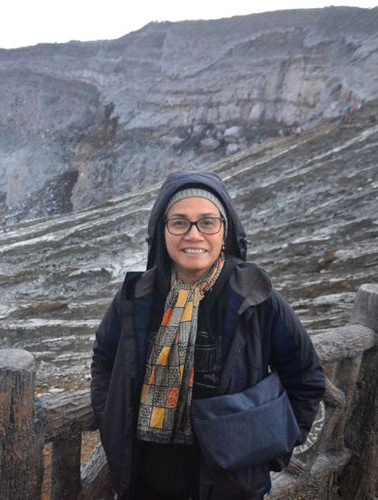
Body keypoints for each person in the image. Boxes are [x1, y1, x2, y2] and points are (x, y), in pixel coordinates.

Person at [90, 171, 326, 499]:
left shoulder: (255, 297)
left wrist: (274, 447)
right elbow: (104, 358)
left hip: (233, 487)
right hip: (146, 484)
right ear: (162, 230)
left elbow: (306, 376)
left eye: (207, 222)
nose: (193, 234)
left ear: (225, 231)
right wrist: (111, 418)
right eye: (179, 222)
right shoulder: (137, 297)